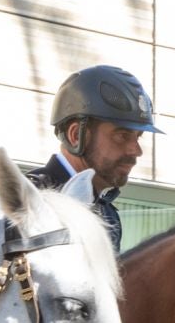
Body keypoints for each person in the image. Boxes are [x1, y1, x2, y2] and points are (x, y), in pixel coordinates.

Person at [31, 64, 160, 253]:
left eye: (138, 137)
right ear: (76, 135)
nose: (136, 150)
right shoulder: (29, 201)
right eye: (123, 136)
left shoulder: (108, 214)